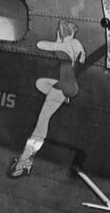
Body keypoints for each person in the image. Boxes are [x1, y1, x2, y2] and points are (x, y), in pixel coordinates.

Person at [9, 20, 85, 178]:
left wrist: (57, 40)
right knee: (40, 83)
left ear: (62, 31)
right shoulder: (76, 43)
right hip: (71, 85)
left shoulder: (62, 46)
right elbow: (81, 58)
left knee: (42, 120)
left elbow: (41, 45)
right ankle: (62, 99)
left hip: (63, 87)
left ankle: (25, 160)